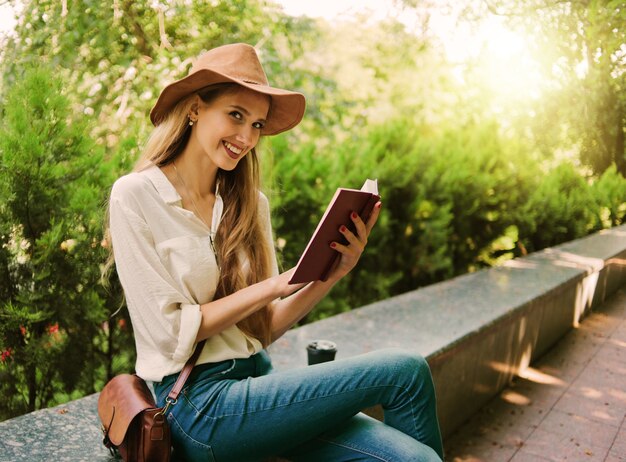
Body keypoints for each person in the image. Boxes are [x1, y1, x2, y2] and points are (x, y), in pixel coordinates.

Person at [107, 42, 443, 462]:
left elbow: (262, 330)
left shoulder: (251, 204)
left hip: (258, 387)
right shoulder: (136, 195)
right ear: (195, 109)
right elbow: (169, 334)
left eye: (258, 125)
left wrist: (334, 273)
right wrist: (274, 285)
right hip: (199, 406)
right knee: (405, 371)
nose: (247, 137)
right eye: (236, 115)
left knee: (417, 460)